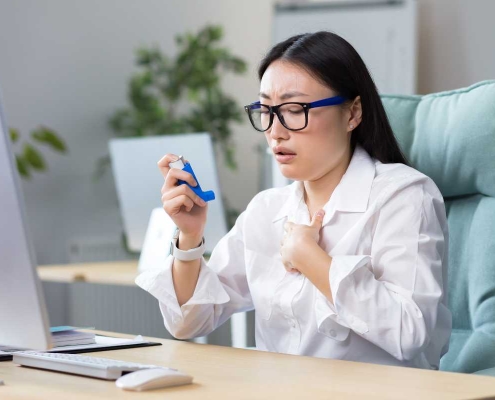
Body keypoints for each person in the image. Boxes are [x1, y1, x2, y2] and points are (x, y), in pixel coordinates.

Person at [137, 31, 452, 370]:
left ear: (352, 113)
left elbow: (410, 331)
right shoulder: (267, 210)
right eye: (266, 110)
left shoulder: (403, 196)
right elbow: (190, 322)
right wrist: (189, 238)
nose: (275, 131)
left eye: (294, 109)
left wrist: (311, 259)